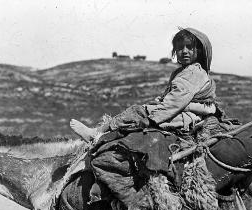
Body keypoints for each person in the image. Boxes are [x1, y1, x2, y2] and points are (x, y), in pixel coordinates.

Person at [71, 27, 222, 142]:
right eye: (180, 47)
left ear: (200, 51)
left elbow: (175, 101)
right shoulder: (180, 72)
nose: (184, 51)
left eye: (189, 47)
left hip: (187, 116)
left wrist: (151, 118)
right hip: (177, 110)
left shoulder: (194, 72)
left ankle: (96, 134)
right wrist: (157, 101)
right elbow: (170, 96)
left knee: (136, 112)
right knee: (141, 110)